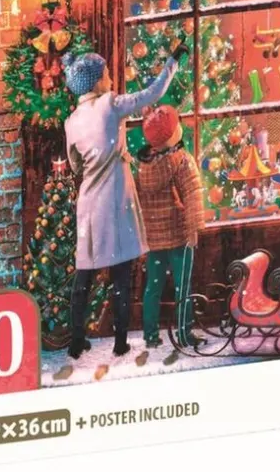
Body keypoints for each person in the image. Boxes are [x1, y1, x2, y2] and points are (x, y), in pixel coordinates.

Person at [63, 45, 188, 359]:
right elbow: (152, 93)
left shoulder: (72, 121)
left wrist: (96, 160)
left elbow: (75, 165)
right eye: (106, 73)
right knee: (121, 272)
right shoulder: (111, 104)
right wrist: (172, 61)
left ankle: (76, 340)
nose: (109, 78)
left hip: (89, 203)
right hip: (116, 199)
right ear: (96, 81)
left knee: (84, 272)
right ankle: (120, 341)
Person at [134, 105, 204, 350]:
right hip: (179, 235)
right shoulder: (183, 161)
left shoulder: (143, 167)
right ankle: (184, 333)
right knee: (182, 286)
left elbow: (138, 202)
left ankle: (151, 335)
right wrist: (194, 228)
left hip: (154, 239)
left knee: (153, 287)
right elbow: (193, 195)